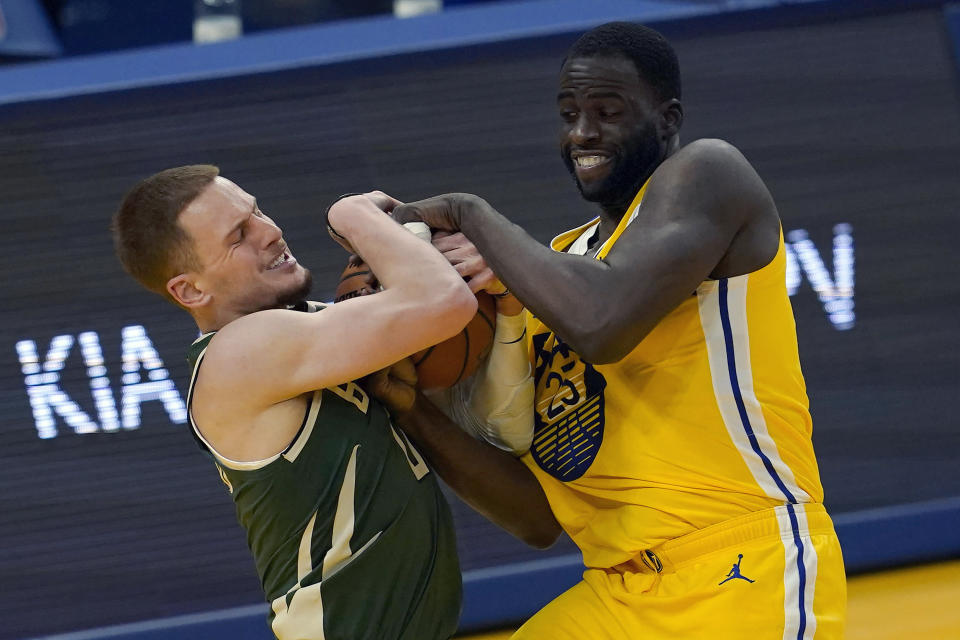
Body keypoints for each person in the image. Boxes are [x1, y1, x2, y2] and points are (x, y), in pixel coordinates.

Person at [386, 21, 848, 639]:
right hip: (617, 589)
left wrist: (472, 215)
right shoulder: (557, 265)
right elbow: (535, 517)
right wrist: (411, 407)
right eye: (569, 112)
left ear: (667, 117)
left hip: (741, 565)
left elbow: (602, 325)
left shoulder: (710, 172)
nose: (581, 133)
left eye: (607, 111)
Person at [111, 165, 491, 640]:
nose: (270, 232)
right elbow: (444, 303)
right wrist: (351, 213)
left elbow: (444, 317)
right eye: (238, 235)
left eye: (258, 212)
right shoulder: (239, 353)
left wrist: (472, 267)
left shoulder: (307, 330)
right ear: (191, 290)